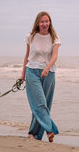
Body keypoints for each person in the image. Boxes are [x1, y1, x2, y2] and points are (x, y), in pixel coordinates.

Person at [19, 11, 61, 142]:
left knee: (44, 105)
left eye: (47, 21)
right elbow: (27, 56)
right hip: (32, 71)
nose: (45, 24)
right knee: (39, 103)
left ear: (50, 22)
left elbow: (54, 56)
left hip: (49, 73)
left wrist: (47, 69)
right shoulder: (31, 37)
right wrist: (23, 74)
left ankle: (34, 134)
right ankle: (49, 130)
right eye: (42, 21)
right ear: (38, 22)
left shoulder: (54, 37)